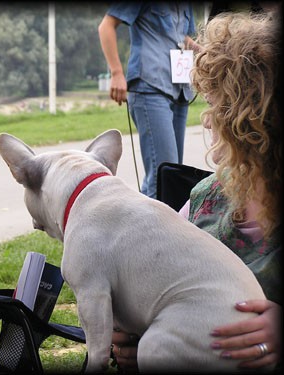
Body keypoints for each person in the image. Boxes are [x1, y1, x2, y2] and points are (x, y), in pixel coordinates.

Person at [111, 10, 282, 371]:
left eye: (218, 106)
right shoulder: (204, 198)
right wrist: (133, 334)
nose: (207, 119)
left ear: (255, 123)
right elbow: (152, 285)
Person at [98, 3, 198, 199]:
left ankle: (157, 226)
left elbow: (181, 38)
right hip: (149, 87)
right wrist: (116, 72)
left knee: (174, 173)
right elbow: (106, 26)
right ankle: (151, 229)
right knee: (162, 175)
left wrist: (209, 52)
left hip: (179, 91)